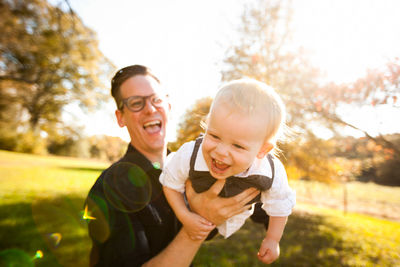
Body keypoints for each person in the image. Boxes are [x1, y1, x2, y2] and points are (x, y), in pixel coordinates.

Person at [84, 65, 261, 267]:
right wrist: (196, 228)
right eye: (135, 103)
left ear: (168, 105)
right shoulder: (109, 189)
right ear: (120, 117)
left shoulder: (193, 168)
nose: (150, 109)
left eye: (156, 99)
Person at [160, 78, 296, 264]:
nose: (221, 151)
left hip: (226, 220)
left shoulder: (270, 171)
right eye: (214, 136)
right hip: (179, 211)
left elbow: (280, 205)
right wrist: (186, 216)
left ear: (262, 150)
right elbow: (170, 184)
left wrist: (272, 239)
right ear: (207, 126)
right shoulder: (190, 154)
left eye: (238, 146)